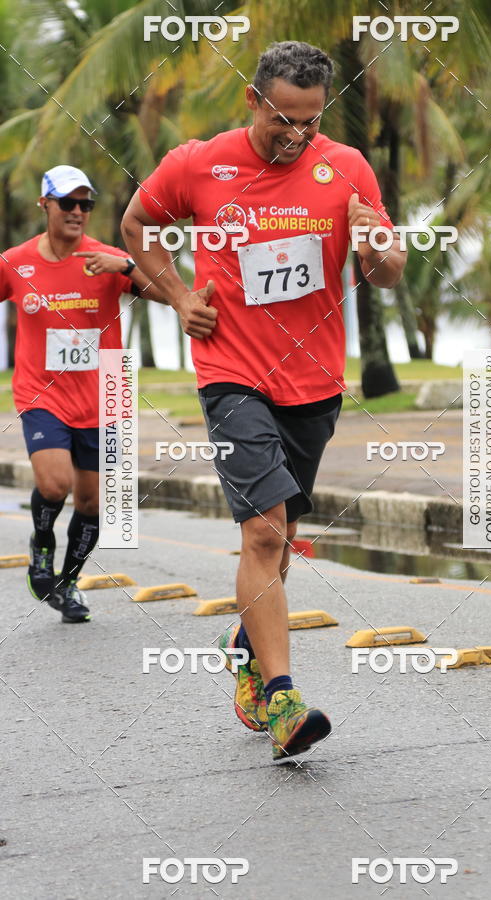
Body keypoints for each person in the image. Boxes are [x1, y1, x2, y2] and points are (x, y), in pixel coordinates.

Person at [121, 41, 406, 759]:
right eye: (284, 118)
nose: (298, 134)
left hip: (313, 383)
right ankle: (282, 701)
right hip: (231, 373)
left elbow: (390, 272)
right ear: (253, 101)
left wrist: (377, 249)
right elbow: (135, 229)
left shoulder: (346, 168)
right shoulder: (198, 164)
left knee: (276, 546)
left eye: (311, 120)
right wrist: (181, 297)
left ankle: (245, 644)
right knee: (265, 534)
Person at [0, 165, 164, 623]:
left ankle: (69, 581)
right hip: (42, 392)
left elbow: (170, 294)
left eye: (85, 204)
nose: (77, 212)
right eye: (67, 203)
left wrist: (127, 266)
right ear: (45, 205)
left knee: (93, 504)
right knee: (55, 484)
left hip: (105, 391)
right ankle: (41, 546)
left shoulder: (107, 259)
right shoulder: (16, 262)